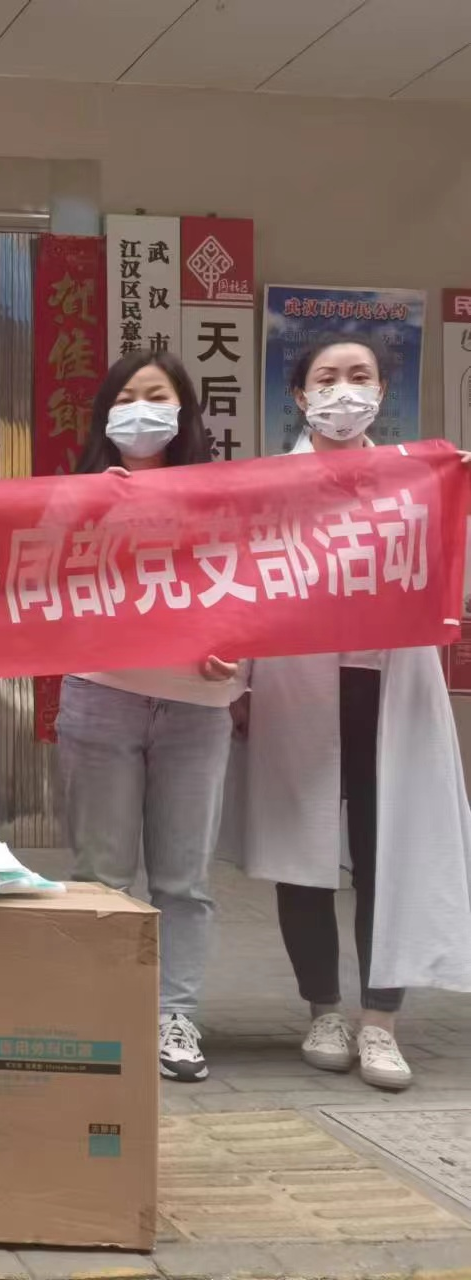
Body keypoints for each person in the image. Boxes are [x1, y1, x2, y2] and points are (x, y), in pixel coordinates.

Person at [241, 336, 471, 1092]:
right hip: (296, 687)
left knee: (387, 852)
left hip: (388, 686)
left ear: (381, 393)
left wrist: (457, 498)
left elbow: (453, 580)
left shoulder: (416, 481)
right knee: (300, 854)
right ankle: (323, 1011)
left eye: (360, 376)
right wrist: (239, 684)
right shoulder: (266, 486)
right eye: (327, 378)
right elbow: (238, 587)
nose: (344, 391)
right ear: (300, 397)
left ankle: (380, 1020)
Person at [55, 350, 239, 1084]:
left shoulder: (225, 496)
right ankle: (102, 1009)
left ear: (184, 410)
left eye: (156, 395)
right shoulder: (73, 497)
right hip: (101, 697)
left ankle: (175, 1014)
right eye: (125, 397)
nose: (140, 409)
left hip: (197, 706)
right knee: (100, 873)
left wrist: (240, 652)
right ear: (104, 414)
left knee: (184, 880)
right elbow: (31, 584)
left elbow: (258, 587)